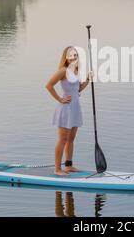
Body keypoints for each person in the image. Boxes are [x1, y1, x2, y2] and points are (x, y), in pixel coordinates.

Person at [46, 46, 92, 176]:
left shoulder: (75, 71)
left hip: (75, 108)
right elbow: (48, 85)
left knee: (71, 139)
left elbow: (77, 90)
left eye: (75, 55)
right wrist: (60, 99)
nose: (73, 57)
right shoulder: (63, 71)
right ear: (66, 57)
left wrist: (88, 79)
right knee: (63, 139)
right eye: (70, 55)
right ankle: (57, 169)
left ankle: (68, 166)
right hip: (66, 109)